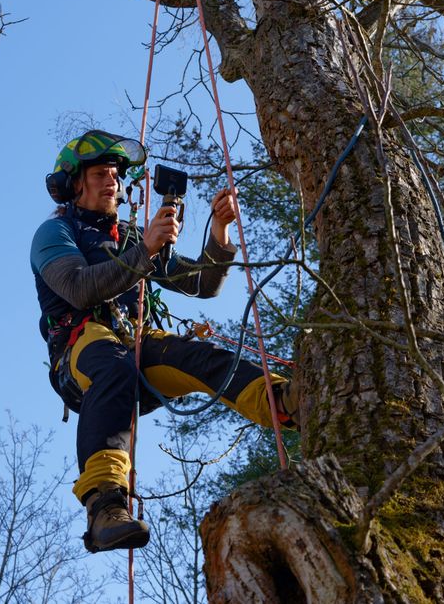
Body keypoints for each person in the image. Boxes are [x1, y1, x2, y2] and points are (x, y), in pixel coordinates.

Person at [30, 130, 298, 553]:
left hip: (137, 341)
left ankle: (284, 402)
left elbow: (201, 284)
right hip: (83, 346)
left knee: (199, 356)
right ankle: (105, 505)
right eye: (100, 173)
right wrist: (147, 250)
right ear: (75, 184)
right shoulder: (56, 233)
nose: (111, 181)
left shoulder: (132, 237)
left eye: (115, 174)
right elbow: (79, 290)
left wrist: (219, 233)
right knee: (112, 363)